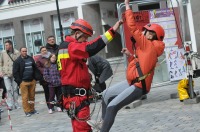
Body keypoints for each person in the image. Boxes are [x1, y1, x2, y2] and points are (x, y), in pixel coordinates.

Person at [87, 0, 165, 131]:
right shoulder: (147, 48)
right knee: (105, 95)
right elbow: (142, 63)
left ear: (151, 35)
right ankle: (102, 123)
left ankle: (104, 128)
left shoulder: (148, 45)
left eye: (145, 31)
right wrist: (130, 55)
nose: (143, 32)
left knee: (112, 106)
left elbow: (133, 28)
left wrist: (127, 7)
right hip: (132, 82)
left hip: (139, 86)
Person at [57, 18, 122, 132]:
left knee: (81, 127)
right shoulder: (72, 46)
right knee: (83, 129)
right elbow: (92, 47)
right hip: (77, 98)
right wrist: (113, 30)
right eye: (85, 38)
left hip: (73, 97)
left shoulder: (64, 47)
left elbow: (72, 70)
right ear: (77, 34)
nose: (85, 41)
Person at [13, 47, 43, 117]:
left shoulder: (30, 58)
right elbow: (15, 73)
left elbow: (35, 69)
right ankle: (27, 111)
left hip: (32, 80)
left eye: (25, 51)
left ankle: (32, 109)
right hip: (23, 82)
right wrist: (19, 82)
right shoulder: (17, 61)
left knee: (32, 97)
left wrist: (37, 78)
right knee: (25, 97)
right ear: (20, 52)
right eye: (23, 51)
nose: (25, 52)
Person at [0, 40, 20, 110]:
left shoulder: (17, 52)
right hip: (6, 73)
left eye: (7, 45)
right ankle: (10, 104)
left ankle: (16, 103)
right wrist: (1, 71)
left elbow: (18, 63)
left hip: (14, 74)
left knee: (15, 89)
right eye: (5, 45)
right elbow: (1, 63)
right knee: (8, 89)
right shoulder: (2, 52)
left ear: (11, 45)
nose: (6, 46)